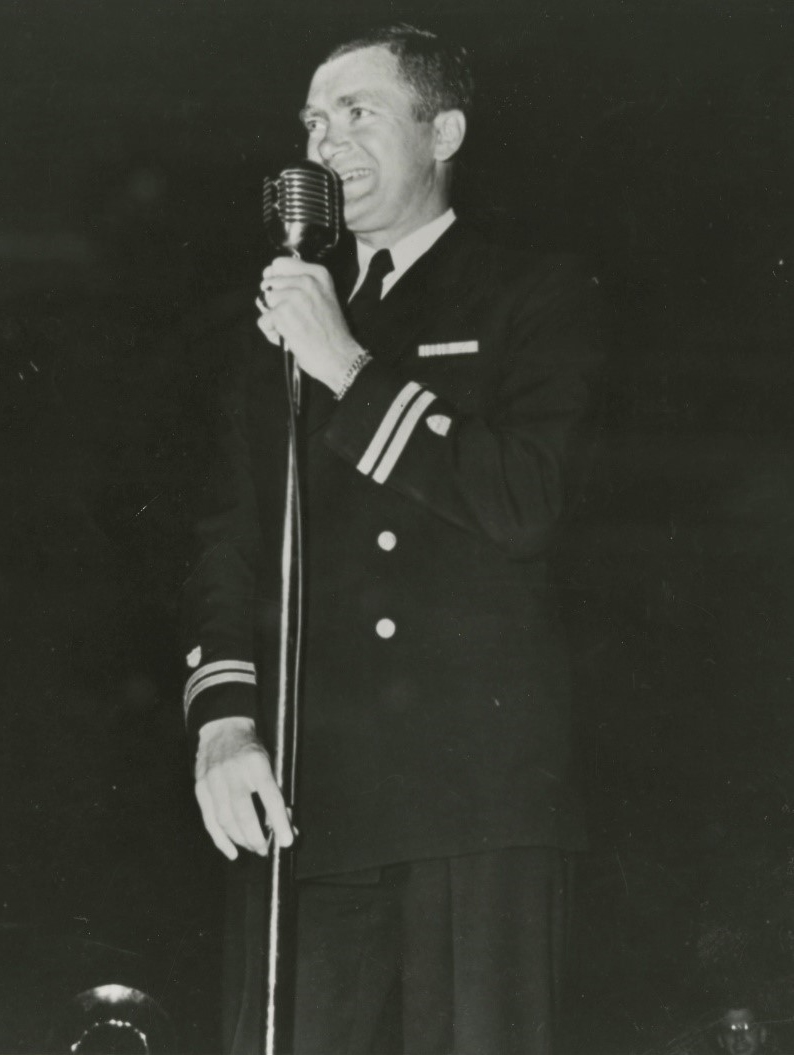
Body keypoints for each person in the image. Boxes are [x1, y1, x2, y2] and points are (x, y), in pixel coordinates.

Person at [182, 23, 603, 1055]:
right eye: (314, 122)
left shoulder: (535, 295)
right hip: (312, 796)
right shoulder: (281, 318)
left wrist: (349, 368)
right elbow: (232, 537)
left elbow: (526, 501)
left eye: (359, 113)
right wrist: (225, 725)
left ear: (443, 129)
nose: (326, 143)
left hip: (478, 798)